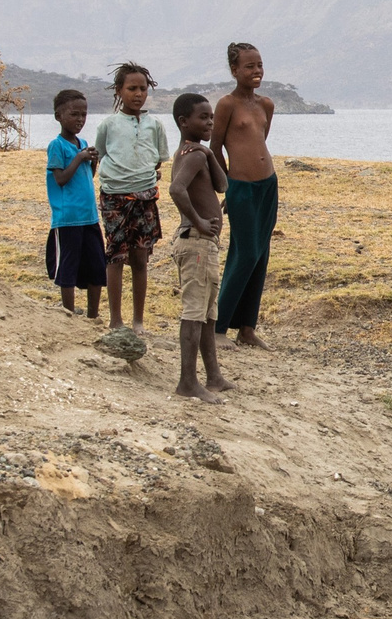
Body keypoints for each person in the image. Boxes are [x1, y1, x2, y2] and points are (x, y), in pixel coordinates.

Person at [90, 61, 175, 336]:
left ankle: (138, 321)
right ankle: (116, 319)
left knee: (140, 259)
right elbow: (102, 153)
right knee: (115, 256)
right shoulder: (108, 125)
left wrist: (146, 180)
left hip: (146, 198)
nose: (138, 94)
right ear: (119, 91)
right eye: (132, 88)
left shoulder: (154, 125)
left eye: (143, 88)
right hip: (115, 198)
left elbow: (159, 160)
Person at [163, 92, 234, 400]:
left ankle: (213, 376)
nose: (209, 123)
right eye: (202, 118)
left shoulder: (197, 154)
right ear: (183, 122)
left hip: (205, 245)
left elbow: (222, 185)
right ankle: (187, 382)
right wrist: (198, 221)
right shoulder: (190, 155)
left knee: (208, 312)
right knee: (195, 312)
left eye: (211, 118)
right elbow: (176, 190)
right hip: (196, 243)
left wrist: (209, 154)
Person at [210, 40, 278, 345]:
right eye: (249, 66)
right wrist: (226, 187)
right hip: (241, 188)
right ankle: (218, 326)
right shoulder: (226, 104)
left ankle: (247, 329)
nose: (256, 71)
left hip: (268, 185)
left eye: (259, 65)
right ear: (234, 69)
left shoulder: (266, 105)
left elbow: (260, 141)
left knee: (260, 255)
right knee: (245, 252)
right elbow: (215, 149)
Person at [43, 88, 105, 319]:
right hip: (68, 218)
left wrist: (92, 161)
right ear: (59, 116)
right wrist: (79, 157)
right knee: (68, 267)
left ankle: (93, 316)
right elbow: (60, 179)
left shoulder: (83, 142)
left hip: (89, 216)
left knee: (96, 265)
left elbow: (87, 176)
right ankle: (68, 314)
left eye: (83, 115)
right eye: (74, 114)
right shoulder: (57, 146)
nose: (80, 120)